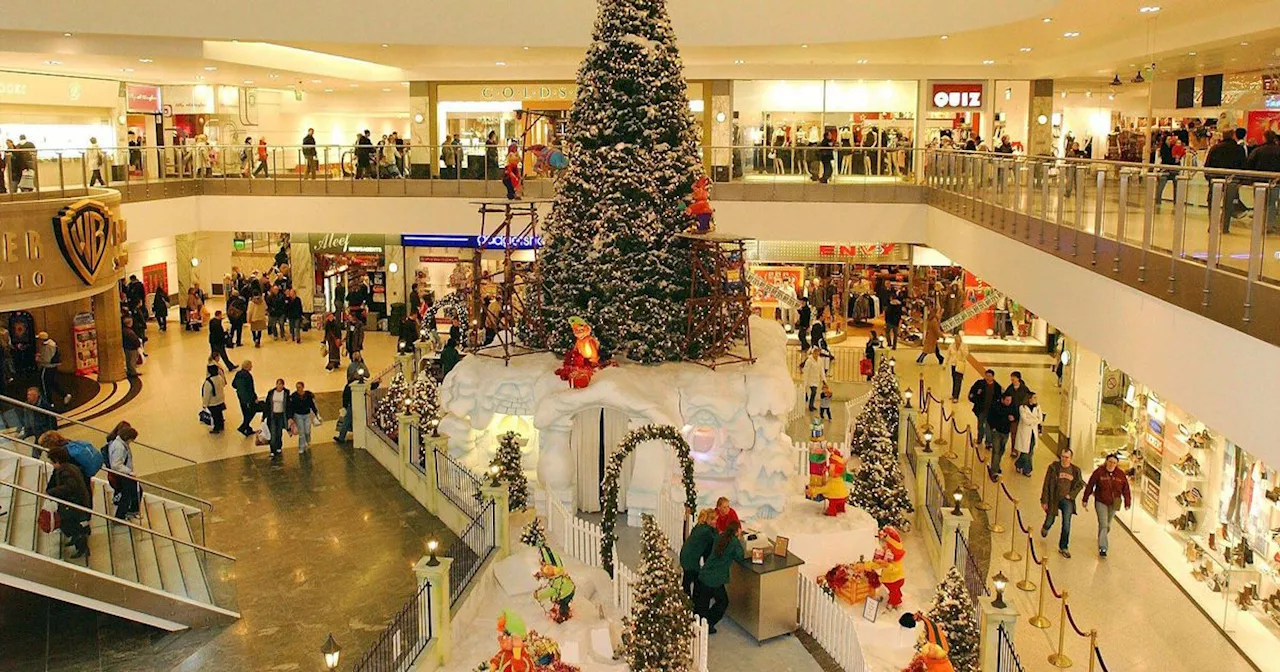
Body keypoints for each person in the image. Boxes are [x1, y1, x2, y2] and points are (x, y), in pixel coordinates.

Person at [693, 520, 744, 634]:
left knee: (702, 604)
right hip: (715, 579)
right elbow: (740, 556)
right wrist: (740, 541)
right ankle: (709, 624)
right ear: (737, 531)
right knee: (722, 602)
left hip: (705, 574)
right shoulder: (734, 542)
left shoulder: (719, 537)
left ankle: (700, 625)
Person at [45, 443, 91, 559]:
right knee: (69, 524)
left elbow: (70, 487)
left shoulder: (66, 472)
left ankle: (82, 547)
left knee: (69, 524)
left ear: (56, 460)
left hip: (74, 504)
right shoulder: (69, 467)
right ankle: (77, 540)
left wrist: (52, 491)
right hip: (76, 502)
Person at [1083, 454, 1132, 558]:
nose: (1111, 464)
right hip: (1101, 501)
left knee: (1107, 525)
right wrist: (1085, 499)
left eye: (1114, 463)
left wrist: (1127, 502)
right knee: (1103, 523)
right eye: (1110, 462)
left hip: (1115, 502)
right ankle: (1103, 547)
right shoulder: (1099, 472)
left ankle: (1102, 535)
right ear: (1106, 462)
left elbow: (1126, 489)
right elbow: (1090, 485)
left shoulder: (1120, 474)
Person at [1040, 447, 1085, 558]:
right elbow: (1046, 484)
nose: (1064, 459)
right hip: (1054, 498)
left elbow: (1080, 484)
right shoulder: (1053, 468)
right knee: (1050, 519)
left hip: (1067, 500)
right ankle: (1046, 527)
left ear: (1071, 458)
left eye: (1067, 457)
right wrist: (1044, 500)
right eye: (1062, 457)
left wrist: (1072, 495)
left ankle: (1063, 547)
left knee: (1066, 523)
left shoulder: (1075, 470)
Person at [1204, 130, 1246, 232]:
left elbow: (1207, 165)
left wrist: (1208, 178)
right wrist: (1241, 180)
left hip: (1216, 179)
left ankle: (1212, 225)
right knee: (1228, 204)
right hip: (1232, 180)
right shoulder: (1239, 149)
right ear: (1233, 135)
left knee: (1213, 202)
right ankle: (1225, 227)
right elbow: (1243, 165)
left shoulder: (1215, 148)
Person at [105, 423, 141, 520]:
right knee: (129, 494)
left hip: (123, 474)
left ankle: (129, 511)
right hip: (123, 474)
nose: (132, 441)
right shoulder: (119, 447)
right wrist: (129, 471)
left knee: (130, 493)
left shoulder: (118, 443)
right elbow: (116, 465)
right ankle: (122, 515)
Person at [679, 509, 718, 598]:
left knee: (687, 580)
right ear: (709, 520)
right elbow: (716, 539)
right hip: (691, 559)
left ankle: (685, 601)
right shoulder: (707, 531)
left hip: (685, 555)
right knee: (696, 580)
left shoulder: (699, 526)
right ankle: (690, 602)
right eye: (714, 520)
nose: (716, 522)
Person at [966, 369, 1001, 449]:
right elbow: (972, 393)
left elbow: (999, 398)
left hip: (991, 411)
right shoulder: (979, 384)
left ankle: (988, 442)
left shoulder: (997, 387)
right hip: (981, 409)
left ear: (993, 377)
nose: (988, 378)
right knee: (980, 425)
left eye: (990, 376)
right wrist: (973, 398)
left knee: (989, 426)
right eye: (987, 376)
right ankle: (979, 438)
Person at [874, 526, 907, 610]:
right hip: (890, 578)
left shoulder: (893, 557)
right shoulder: (888, 552)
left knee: (893, 591)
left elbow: (893, 569)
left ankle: (894, 602)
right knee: (894, 591)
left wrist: (885, 564)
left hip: (894, 579)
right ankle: (896, 599)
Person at [17, 387, 56, 456]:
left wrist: (52, 431)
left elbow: (52, 419)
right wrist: (19, 431)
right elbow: (24, 419)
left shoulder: (44, 405)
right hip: (36, 431)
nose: (28, 397)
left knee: (52, 451)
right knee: (39, 452)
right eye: (28, 395)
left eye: (30, 395)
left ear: (36, 396)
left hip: (44, 433)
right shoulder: (27, 405)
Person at [35, 331, 70, 407]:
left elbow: (47, 359)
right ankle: (64, 395)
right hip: (53, 367)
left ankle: (48, 402)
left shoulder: (46, 346)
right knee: (53, 383)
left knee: (44, 385)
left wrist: (38, 359)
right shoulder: (52, 343)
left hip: (47, 368)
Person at [1013, 393, 1044, 477]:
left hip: (1033, 433)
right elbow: (1025, 420)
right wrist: (1035, 420)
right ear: (1029, 399)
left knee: (1030, 451)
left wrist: (1033, 421)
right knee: (1026, 451)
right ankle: (1027, 470)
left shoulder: (1037, 407)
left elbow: (1040, 419)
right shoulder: (1022, 408)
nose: (1035, 399)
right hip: (1025, 432)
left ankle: (1019, 464)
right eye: (1034, 397)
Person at [986, 393, 1015, 481]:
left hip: (1006, 432)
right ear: (1002, 399)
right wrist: (993, 428)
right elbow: (989, 418)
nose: (1009, 402)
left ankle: (996, 465)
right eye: (1007, 400)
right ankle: (993, 471)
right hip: (997, 432)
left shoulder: (1012, 407)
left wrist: (1013, 418)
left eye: (1010, 400)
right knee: (996, 451)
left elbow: (1016, 415)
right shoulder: (995, 406)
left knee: (1001, 450)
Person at [288, 381, 318, 454]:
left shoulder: (307, 395)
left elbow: (312, 404)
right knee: (301, 433)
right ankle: (301, 447)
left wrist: (316, 413)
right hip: (298, 416)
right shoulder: (294, 396)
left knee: (307, 431)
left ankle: (308, 440)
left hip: (307, 415)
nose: (298, 389)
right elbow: (291, 407)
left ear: (303, 387)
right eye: (297, 387)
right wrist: (291, 417)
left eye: (299, 387)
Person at [264, 378, 290, 458]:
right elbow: (267, 405)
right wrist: (264, 416)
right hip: (273, 416)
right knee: (273, 432)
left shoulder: (286, 393)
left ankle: (279, 446)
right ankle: (272, 450)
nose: (279, 386)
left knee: (279, 432)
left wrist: (290, 417)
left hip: (281, 415)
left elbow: (288, 405)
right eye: (278, 384)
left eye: (281, 384)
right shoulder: (271, 392)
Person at [232, 360, 258, 437]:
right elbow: (251, 389)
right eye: (250, 365)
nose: (252, 367)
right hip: (248, 399)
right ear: (247, 366)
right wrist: (255, 397)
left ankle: (248, 429)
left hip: (240, 397)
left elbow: (233, 384)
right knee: (251, 412)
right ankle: (243, 427)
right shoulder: (248, 376)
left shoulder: (238, 374)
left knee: (245, 412)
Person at [201, 364, 228, 434]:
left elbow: (206, 394)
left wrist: (205, 404)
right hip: (220, 399)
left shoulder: (208, 382)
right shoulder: (219, 377)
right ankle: (221, 425)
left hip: (213, 402)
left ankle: (216, 428)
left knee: (215, 415)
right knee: (219, 413)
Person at [944, 331, 968, 402]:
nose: (957, 341)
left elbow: (966, 355)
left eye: (958, 340)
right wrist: (944, 364)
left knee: (958, 380)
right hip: (953, 365)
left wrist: (960, 348)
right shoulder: (951, 346)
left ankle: (956, 397)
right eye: (956, 340)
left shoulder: (964, 346)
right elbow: (948, 355)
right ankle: (953, 394)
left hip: (960, 365)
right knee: (954, 380)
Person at [801, 347, 826, 412]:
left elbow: (821, 370)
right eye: (815, 352)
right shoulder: (809, 361)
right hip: (810, 379)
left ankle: (811, 405)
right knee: (813, 391)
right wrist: (805, 381)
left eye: (818, 352)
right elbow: (806, 371)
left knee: (814, 393)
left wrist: (824, 380)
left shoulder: (820, 360)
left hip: (816, 379)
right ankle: (810, 406)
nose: (817, 353)